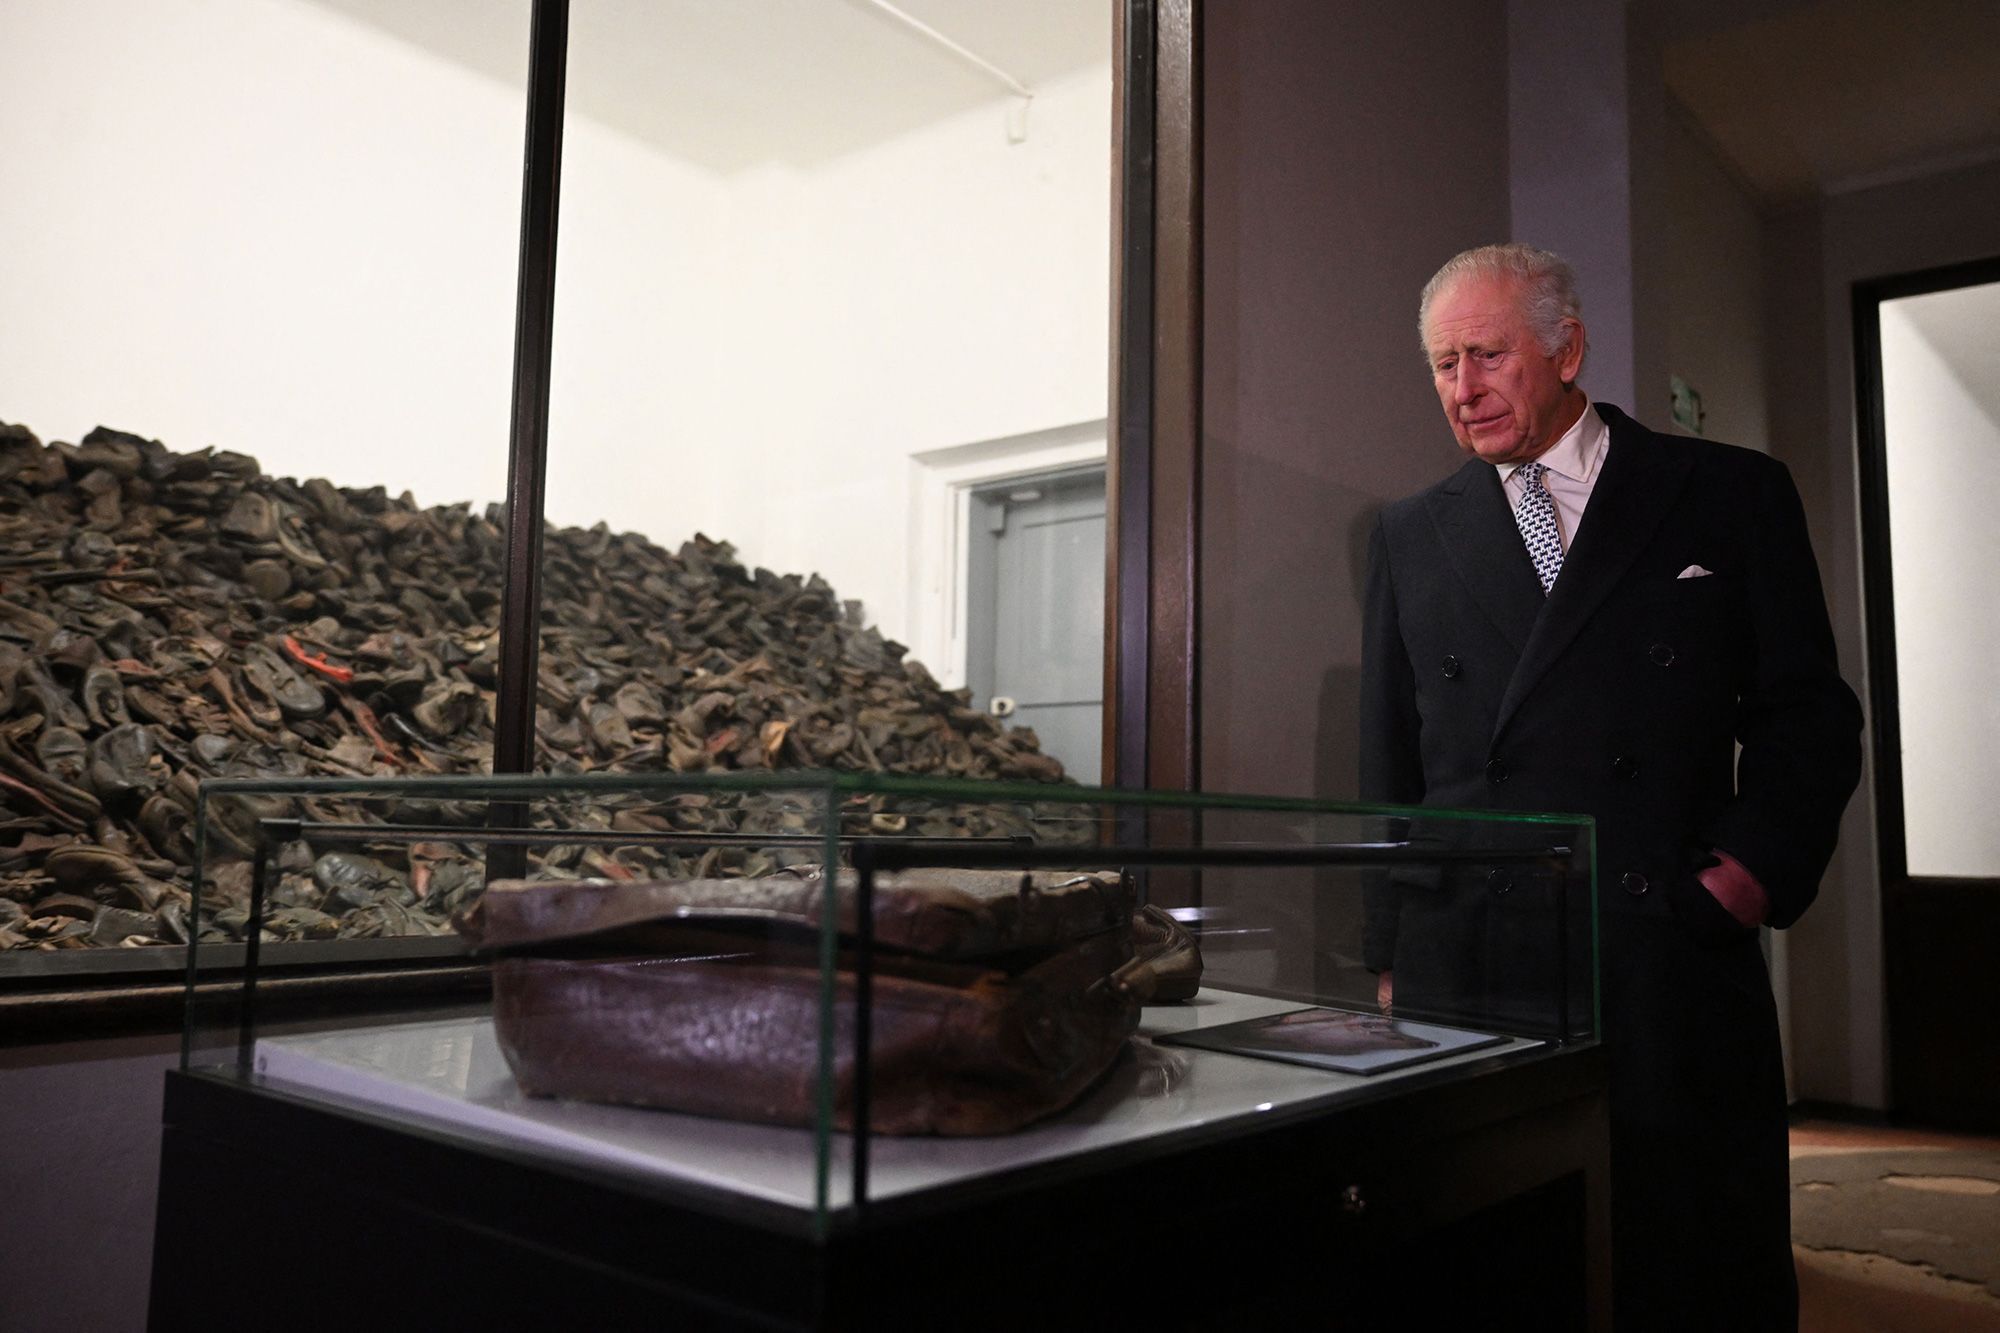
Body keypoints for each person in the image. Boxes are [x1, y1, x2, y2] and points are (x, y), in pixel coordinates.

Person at [1359, 243, 1863, 1330]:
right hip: (1472, 959)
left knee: (1679, 1256)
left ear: (1566, 347)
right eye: (1442, 363)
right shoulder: (1406, 532)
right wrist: (1388, 952)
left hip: (1661, 944)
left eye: (1486, 354)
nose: (1462, 388)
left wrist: (1745, 875)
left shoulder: (1727, 493)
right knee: (1494, 1264)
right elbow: (1386, 755)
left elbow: (1806, 715)